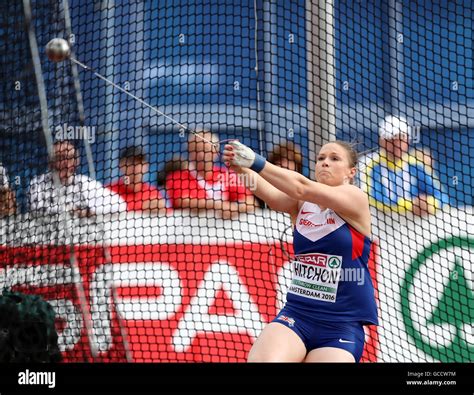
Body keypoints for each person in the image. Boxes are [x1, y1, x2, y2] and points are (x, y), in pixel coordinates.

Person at [222, 140, 378, 362]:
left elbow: (300, 186)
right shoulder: (302, 204)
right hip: (297, 316)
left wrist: (256, 161)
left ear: (351, 172)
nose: (325, 163)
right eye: (321, 158)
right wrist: (240, 167)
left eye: (334, 159)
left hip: (341, 326)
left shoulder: (355, 198)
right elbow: (270, 194)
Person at [359, 115, 448, 216]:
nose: (397, 143)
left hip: (415, 227)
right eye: (392, 139)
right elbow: (370, 198)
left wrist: (429, 204)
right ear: (382, 141)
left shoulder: (417, 165)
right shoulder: (369, 164)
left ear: (408, 140)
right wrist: (411, 206)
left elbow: (442, 197)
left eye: (401, 138)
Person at [165, 130, 257, 220]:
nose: (201, 155)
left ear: (215, 152)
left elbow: (251, 202)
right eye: (196, 150)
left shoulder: (228, 176)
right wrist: (217, 205)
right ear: (189, 152)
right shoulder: (177, 178)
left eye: (205, 150)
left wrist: (235, 208)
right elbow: (184, 202)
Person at [29, 141, 127, 216]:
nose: (66, 163)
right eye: (60, 158)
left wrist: (89, 211)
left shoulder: (84, 183)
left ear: (76, 162)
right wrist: (73, 210)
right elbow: (39, 210)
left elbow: (120, 205)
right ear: (50, 162)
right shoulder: (38, 184)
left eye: (71, 158)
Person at [107, 146, 167, 214]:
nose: (135, 166)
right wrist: (141, 207)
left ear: (146, 166)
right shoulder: (109, 191)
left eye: (139, 162)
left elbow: (169, 212)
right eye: (131, 161)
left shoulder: (153, 192)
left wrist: (162, 209)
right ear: (121, 165)